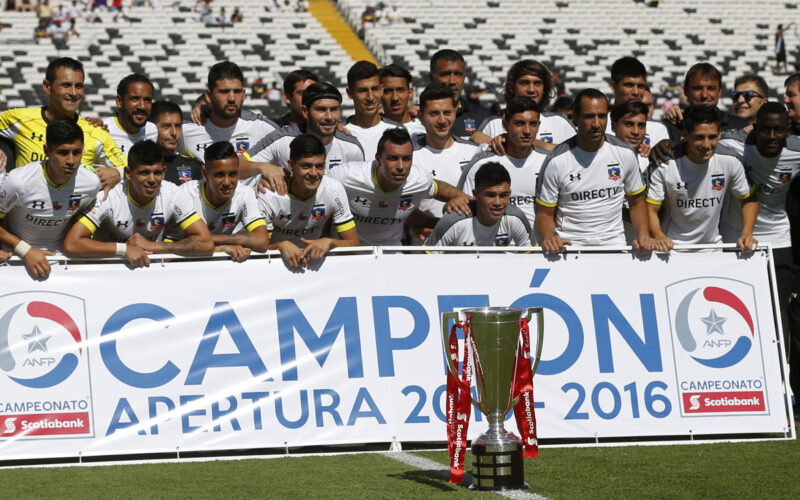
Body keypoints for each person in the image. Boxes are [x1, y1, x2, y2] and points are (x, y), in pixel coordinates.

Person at [535, 89, 654, 254]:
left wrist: (644, 234)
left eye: (602, 116)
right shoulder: (556, 161)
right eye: (589, 116)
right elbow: (544, 214)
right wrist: (549, 237)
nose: (597, 124)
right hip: (570, 249)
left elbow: (637, 202)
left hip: (614, 248)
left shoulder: (625, 153)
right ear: (575, 117)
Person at [63, 140, 213, 266]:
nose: (152, 180)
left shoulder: (172, 193)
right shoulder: (109, 197)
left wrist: (152, 246)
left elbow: (205, 243)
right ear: (128, 173)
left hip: (149, 272)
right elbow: (72, 244)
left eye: (157, 173)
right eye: (144, 173)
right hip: (108, 272)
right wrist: (124, 249)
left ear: (164, 171)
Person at [718, 102, 800, 314]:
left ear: (787, 131)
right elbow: (697, 143)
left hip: (778, 237)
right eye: (765, 129)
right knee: (734, 308)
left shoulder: (796, 150)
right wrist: (668, 145)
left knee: (778, 310)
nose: (771, 136)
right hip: (734, 236)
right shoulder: (732, 142)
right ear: (754, 128)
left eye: (778, 130)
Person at [328, 127, 471, 246]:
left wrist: (463, 199)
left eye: (407, 159)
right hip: (349, 256)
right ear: (378, 160)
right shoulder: (345, 175)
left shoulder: (418, 178)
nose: (401, 167)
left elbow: (437, 187)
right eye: (393, 158)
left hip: (392, 255)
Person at [0, 57, 125, 193]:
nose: (73, 93)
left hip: (72, 213)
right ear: (47, 87)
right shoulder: (20, 119)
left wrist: (119, 173)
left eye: (79, 86)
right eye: (66, 85)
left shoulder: (95, 132)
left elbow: (131, 168)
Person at [646, 105, 757, 252]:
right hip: (673, 249)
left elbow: (749, 199)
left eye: (712, 137)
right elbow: (650, 208)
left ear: (719, 134)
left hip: (712, 249)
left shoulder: (731, 160)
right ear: (685, 134)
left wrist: (747, 233)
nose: (706, 145)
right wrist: (659, 236)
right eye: (699, 137)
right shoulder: (665, 163)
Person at [0, 119, 101, 279]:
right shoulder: (19, 182)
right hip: (16, 259)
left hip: (62, 262)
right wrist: (25, 250)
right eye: (62, 153)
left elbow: (83, 218)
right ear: (47, 151)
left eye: (76, 152)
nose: (71, 161)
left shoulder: (91, 183)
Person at [258, 135, 358, 268]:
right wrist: (279, 247)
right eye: (306, 166)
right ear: (291, 165)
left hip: (313, 266)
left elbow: (354, 245)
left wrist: (330, 243)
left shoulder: (334, 189)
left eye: (319, 166)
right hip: (274, 265)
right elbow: (255, 250)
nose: (313, 173)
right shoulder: (268, 195)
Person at [459, 96, 548, 234]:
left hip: (538, 250)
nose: (527, 131)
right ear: (505, 125)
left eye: (533, 124)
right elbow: (463, 212)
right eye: (519, 123)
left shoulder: (548, 163)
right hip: (493, 251)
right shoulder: (482, 163)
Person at [181, 61, 278, 186]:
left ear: (243, 95)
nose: (232, 98)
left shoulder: (263, 128)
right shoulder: (186, 132)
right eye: (224, 91)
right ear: (209, 95)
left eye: (237, 91)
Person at [171, 141, 269, 262]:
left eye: (233, 174)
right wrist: (220, 248)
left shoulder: (245, 193)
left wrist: (207, 241)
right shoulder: (184, 195)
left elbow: (262, 241)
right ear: (205, 174)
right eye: (220, 175)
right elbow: (169, 249)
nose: (227, 182)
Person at [244, 82, 364, 174]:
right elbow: (238, 165)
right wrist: (265, 169)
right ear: (305, 112)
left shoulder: (352, 148)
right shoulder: (282, 139)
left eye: (334, 109)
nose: (329, 117)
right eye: (321, 109)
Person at [410, 83, 479, 235]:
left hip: (470, 246)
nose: (442, 120)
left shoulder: (475, 153)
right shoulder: (410, 157)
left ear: (455, 112)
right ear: (421, 116)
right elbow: (400, 206)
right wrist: (431, 224)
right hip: (424, 248)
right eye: (434, 114)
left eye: (447, 112)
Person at [426, 162, 531, 247]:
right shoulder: (453, 220)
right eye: (490, 195)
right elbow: (425, 261)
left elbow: (533, 258)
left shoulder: (517, 217)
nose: (498, 203)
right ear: (475, 194)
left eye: (504, 195)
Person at [473, 59, 575, 145]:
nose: (531, 89)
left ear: (544, 88)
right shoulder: (493, 125)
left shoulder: (560, 123)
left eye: (537, 83)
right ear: (512, 87)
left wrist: (511, 142)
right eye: (525, 83)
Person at [660, 63, 750, 144]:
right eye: (698, 88)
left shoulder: (739, 126)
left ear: (719, 92)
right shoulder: (668, 127)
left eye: (711, 88)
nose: (704, 95)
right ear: (686, 91)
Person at [605, 57, 670, 151]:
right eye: (629, 85)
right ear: (614, 87)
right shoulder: (600, 125)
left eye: (640, 86)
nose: (636, 92)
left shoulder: (658, 129)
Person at [344, 61, 403, 160]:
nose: (370, 97)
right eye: (362, 90)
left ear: (381, 90)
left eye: (375, 89)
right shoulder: (339, 133)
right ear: (350, 93)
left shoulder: (398, 130)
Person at [428, 49, 490, 141]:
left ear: (464, 77)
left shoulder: (483, 117)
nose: (452, 81)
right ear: (431, 78)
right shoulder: (416, 117)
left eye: (458, 74)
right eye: (446, 74)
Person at [149, 100, 204, 185]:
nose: (174, 133)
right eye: (166, 126)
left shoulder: (195, 167)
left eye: (178, 126)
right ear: (151, 127)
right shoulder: (139, 166)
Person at [102, 73, 157, 156]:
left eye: (147, 100)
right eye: (135, 99)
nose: (142, 106)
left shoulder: (153, 131)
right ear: (119, 101)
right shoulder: (102, 130)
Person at [378, 63, 425, 137]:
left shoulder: (428, 126)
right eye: (388, 91)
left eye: (400, 90)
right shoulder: (371, 130)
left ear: (410, 92)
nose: (395, 98)